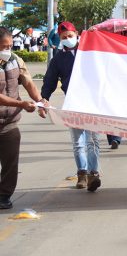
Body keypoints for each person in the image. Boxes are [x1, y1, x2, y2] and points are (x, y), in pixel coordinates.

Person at [39, 22, 102, 192]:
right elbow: (50, 81)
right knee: (78, 142)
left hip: (93, 102)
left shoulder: (89, 51)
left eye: (70, 35)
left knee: (94, 140)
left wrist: (96, 34)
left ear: (76, 34)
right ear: (59, 39)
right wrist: (44, 99)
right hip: (73, 103)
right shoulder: (58, 59)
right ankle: (82, 174)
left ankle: (93, 174)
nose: (68, 39)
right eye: (64, 37)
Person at [0, 27, 44, 209]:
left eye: (10, 46)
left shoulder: (15, 61)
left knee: (11, 163)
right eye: (3, 46)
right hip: (13, 110)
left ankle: (3, 196)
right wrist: (21, 105)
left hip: (9, 124)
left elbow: (28, 83)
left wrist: (40, 102)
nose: (7, 50)